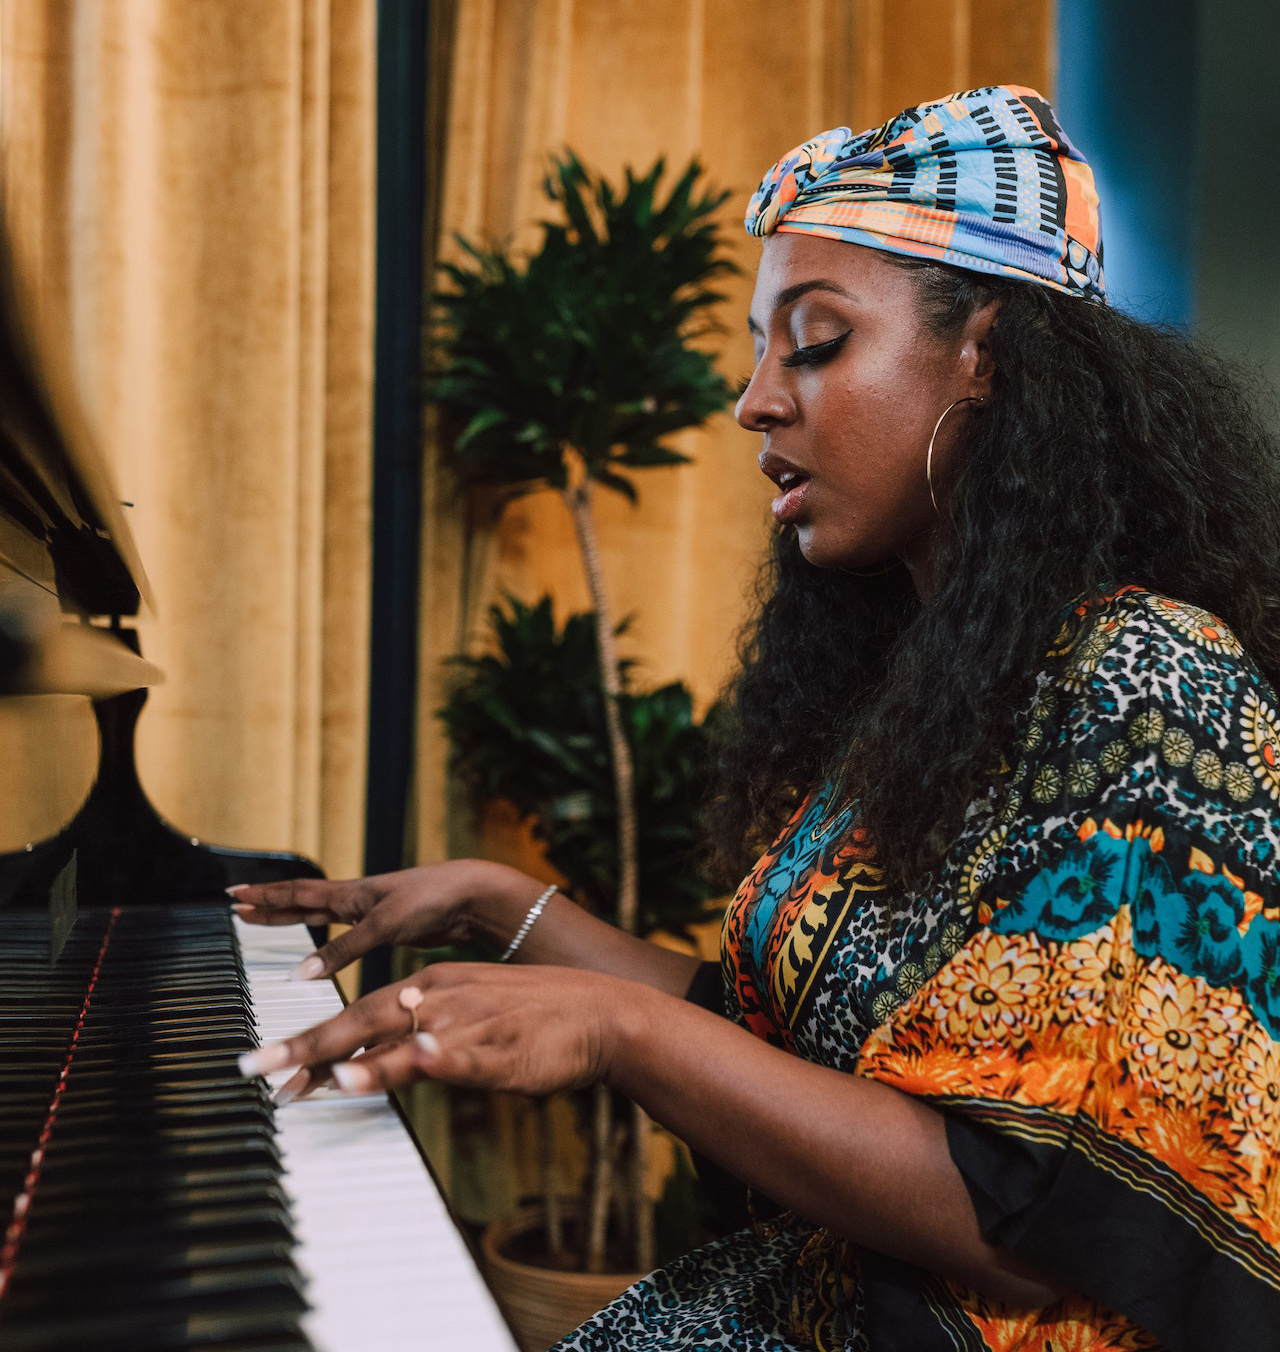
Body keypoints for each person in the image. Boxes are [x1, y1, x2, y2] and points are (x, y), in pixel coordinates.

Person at [232, 86, 1280, 1350]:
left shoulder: (1147, 677)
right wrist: (493, 900)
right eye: (757, 347)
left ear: (985, 355)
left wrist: (617, 1031)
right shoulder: (927, 679)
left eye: (816, 341)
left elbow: (1027, 1209)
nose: (753, 401)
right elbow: (784, 1048)